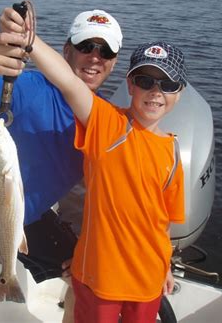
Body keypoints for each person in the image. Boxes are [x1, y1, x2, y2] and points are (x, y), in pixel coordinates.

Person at [0, 8, 123, 323]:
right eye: (85, 47)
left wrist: (90, 248)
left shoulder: (105, 121)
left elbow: (111, 197)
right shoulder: (29, 86)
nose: (94, 57)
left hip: (26, 216)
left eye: (105, 51)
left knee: (85, 281)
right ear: (66, 50)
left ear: (114, 61)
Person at [26, 34, 186, 322]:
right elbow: (69, 82)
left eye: (168, 84)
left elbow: (164, 222)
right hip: (99, 279)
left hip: (148, 280)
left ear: (180, 92)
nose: (156, 92)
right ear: (130, 86)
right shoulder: (107, 123)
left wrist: (166, 267)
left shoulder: (174, 152)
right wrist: (29, 39)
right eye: (145, 81)